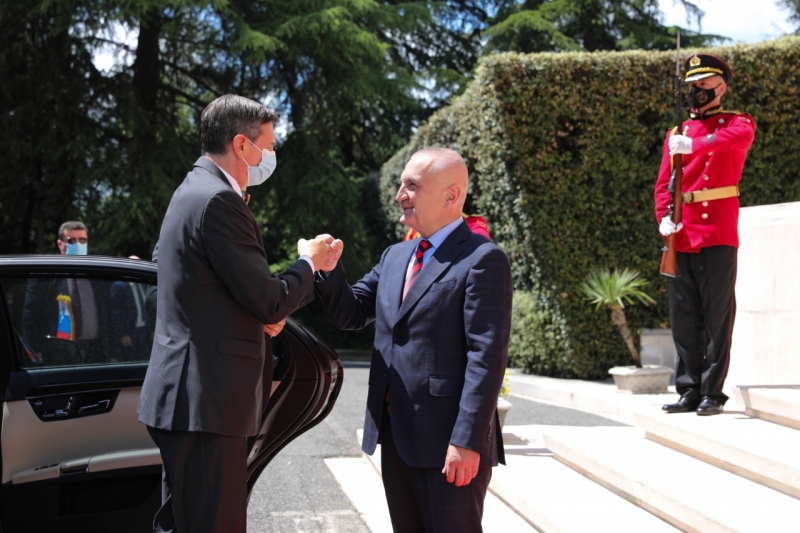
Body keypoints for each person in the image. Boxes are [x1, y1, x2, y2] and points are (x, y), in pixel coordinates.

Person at [137, 94, 336, 533]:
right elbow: (269, 300)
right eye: (269, 146)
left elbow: (183, 280)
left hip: (191, 400)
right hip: (207, 400)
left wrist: (253, 311)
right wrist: (310, 261)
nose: (271, 157)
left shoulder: (193, 190)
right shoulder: (218, 200)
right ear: (242, 145)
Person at [315, 147, 512, 532]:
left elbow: (486, 358)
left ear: (451, 195)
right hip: (397, 437)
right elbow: (351, 312)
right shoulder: (395, 255)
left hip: (449, 445)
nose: (399, 195)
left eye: (412, 185)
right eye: (401, 184)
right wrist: (330, 270)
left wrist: (467, 441)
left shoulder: (483, 258)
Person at [655, 54, 756, 416]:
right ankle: (688, 389)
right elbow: (664, 185)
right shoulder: (676, 133)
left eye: (704, 84)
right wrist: (663, 220)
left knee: (717, 317)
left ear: (721, 87)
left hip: (716, 232)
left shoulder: (738, 123)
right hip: (682, 233)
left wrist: (694, 146)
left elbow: (735, 138)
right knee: (684, 317)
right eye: (693, 85)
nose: (697, 90)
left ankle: (712, 392)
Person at [21, 221, 103, 363]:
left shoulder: (97, 274)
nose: (78, 244)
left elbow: (106, 315)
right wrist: (36, 352)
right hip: (58, 350)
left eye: (82, 240)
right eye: (72, 240)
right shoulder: (45, 277)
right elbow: (30, 317)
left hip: (95, 350)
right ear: (60, 244)